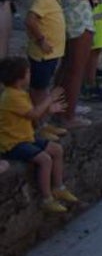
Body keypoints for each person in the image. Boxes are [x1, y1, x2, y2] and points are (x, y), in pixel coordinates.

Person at [0, 57, 74, 213]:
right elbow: (33, 114)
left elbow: (31, 113)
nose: (30, 75)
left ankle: (58, 186)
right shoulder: (12, 96)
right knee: (45, 159)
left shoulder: (19, 93)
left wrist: (48, 109)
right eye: (28, 72)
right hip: (13, 143)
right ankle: (46, 198)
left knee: (56, 149)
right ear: (20, 77)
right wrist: (49, 99)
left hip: (26, 137)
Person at [47, 0, 101, 129]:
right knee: (76, 69)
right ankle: (68, 116)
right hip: (78, 19)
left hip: (72, 17)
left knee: (68, 66)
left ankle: (61, 108)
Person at [25, 0, 67, 110]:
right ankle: (40, 124)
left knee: (44, 86)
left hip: (52, 52)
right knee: (39, 89)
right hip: (43, 53)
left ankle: (44, 121)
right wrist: (41, 40)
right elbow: (30, 20)